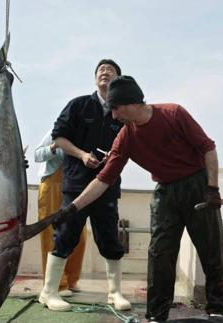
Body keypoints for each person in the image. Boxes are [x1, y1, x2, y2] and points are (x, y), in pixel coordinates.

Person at [49, 75, 223, 322]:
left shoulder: (174, 114)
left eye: (115, 109)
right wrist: (72, 208)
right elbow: (103, 179)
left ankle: (217, 309)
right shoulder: (125, 137)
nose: (113, 116)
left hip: (197, 186)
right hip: (165, 191)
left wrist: (213, 188)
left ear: (131, 103)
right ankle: (156, 315)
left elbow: (208, 147)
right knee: (159, 254)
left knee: (211, 250)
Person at [38, 59, 132, 312]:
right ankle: (48, 292)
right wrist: (81, 155)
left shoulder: (123, 113)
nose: (104, 73)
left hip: (108, 187)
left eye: (110, 71)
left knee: (110, 238)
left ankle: (115, 293)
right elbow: (58, 136)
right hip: (76, 185)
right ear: (95, 79)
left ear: (118, 81)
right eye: (100, 70)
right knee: (66, 235)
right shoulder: (78, 105)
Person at [34, 129, 87, 297]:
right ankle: (56, 284)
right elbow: (37, 155)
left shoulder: (87, 133)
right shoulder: (57, 130)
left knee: (79, 235)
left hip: (74, 187)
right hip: (52, 185)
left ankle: (71, 280)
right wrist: (54, 147)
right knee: (51, 235)